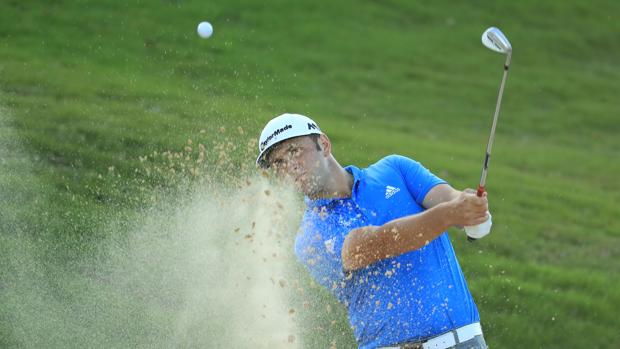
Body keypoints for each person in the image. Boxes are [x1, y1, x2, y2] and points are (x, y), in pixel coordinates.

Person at [256, 113, 491, 349]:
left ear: (324, 145)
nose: (290, 165)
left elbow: (449, 199)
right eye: (278, 163)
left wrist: (471, 207)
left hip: (466, 341)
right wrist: (451, 213)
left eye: (295, 151)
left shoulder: (395, 169)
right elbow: (373, 245)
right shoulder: (310, 238)